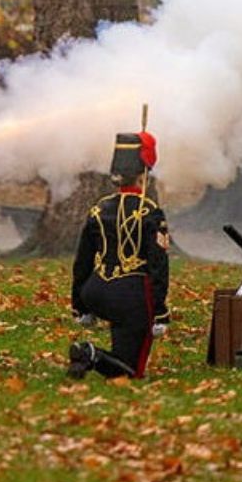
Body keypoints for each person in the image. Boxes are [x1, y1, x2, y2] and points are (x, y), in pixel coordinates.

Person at [68, 132, 171, 379]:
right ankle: (90, 354)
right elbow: (158, 266)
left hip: (95, 291)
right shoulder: (151, 212)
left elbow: (82, 261)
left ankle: (93, 357)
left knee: (122, 351)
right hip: (131, 297)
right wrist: (160, 312)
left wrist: (80, 305)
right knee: (132, 372)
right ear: (143, 175)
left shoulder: (98, 208)